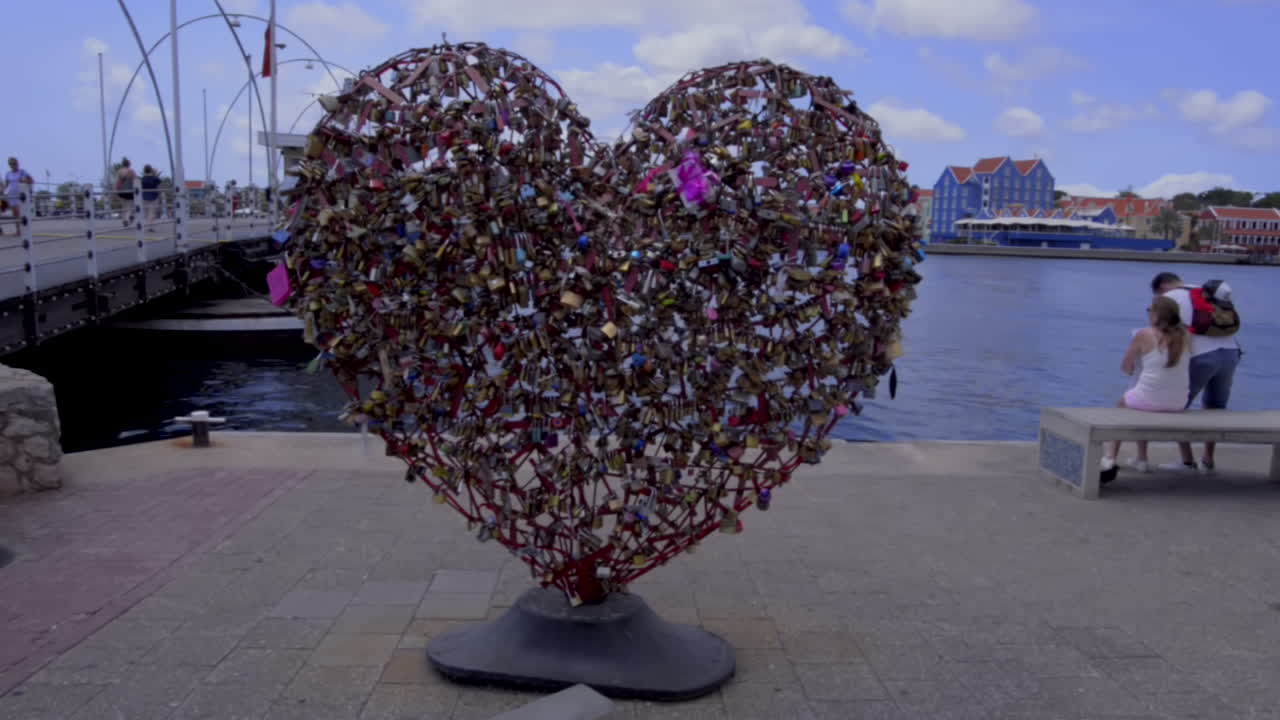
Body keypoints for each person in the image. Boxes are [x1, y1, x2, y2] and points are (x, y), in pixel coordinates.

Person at [1151, 271, 1243, 473]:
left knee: (1176, 406)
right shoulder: (1205, 290)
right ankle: (1208, 461)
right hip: (1230, 353)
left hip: (1201, 357)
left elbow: (1165, 333)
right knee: (1215, 408)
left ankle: (1187, 462)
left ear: (1161, 288)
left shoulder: (1168, 298)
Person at [1100, 296, 1190, 483]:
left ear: (1156, 314)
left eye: (1150, 310)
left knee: (1123, 404)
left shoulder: (1144, 334)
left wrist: (1140, 366)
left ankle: (1110, 456)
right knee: (1140, 399)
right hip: (1179, 402)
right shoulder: (1186, 336)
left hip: (1149, 399)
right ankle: (1141, 458)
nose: (1148, 313)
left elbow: (1126, 367)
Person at [3, 156, 33, 235]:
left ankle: (23, 230)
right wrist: (3, 192)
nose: (14, 165)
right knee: (15, 214)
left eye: (15, 163)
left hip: (20, 196)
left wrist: (23, 180)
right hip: (11, 196)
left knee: (19, 212)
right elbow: (6, 185)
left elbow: (31, 180)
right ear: (9, 165)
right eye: (12, 164)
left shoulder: (22, 172)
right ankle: (18, 230)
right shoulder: (8, 174)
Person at [115, 157, 138, 227]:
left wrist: (116, 190)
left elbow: (117, 181)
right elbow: (136, 180)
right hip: (130, 191)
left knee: (124, 206)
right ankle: (127, 219)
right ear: (129, 164)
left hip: (121, 191)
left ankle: (124, 219)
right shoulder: (131, 171)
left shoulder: (119, 171)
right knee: (130, 206)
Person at [140, 164, 161, 230]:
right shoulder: (155, 178)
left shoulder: (142, 179)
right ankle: (151, 226)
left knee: (147, 212)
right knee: (152, 211)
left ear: (144, 171)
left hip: (144, 196)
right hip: (154, 196)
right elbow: (159, 184)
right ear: (151, 170)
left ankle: (149, 224)